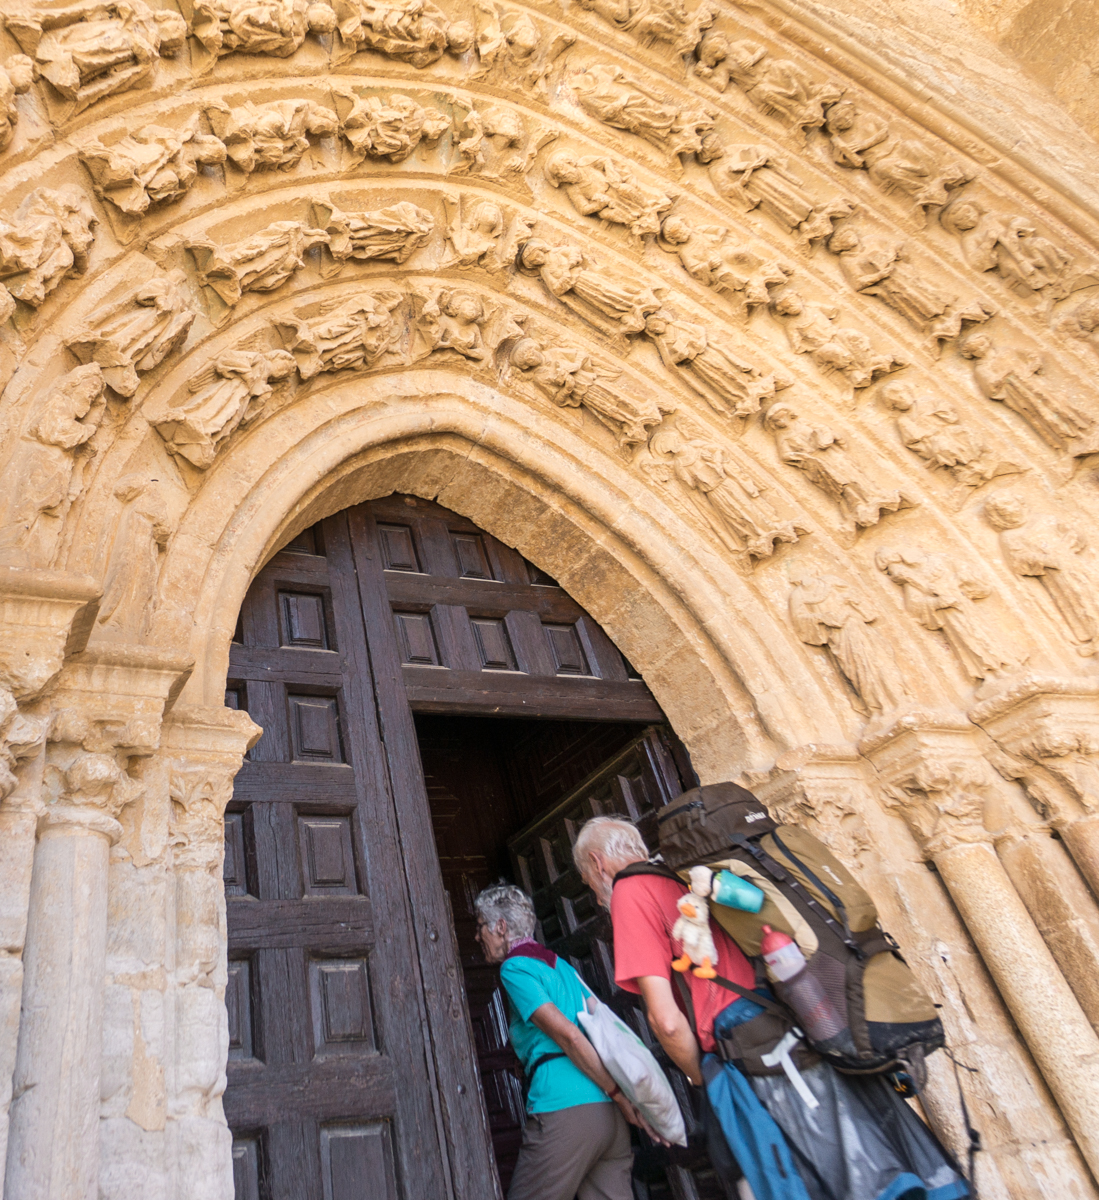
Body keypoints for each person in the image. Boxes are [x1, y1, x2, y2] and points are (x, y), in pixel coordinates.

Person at [573, 816, 969, 1200]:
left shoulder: (629, 891)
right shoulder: (687, 874)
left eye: (589, 881)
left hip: (756, 1056)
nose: (594, 893)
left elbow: (666, 1021)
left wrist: (701, 1078)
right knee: (888, 1169)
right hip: (805, 1018)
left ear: (597, 863)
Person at [474, 883, 658, 1200]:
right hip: (610, 1117)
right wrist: (620, 1096)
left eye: (480, 927)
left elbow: (569, 1036)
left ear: (501, 927)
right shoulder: (564, 967)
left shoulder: (514, 968)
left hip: (566, 1108)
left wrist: (619, 1092)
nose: (478, 937)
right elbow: (605, 1027)